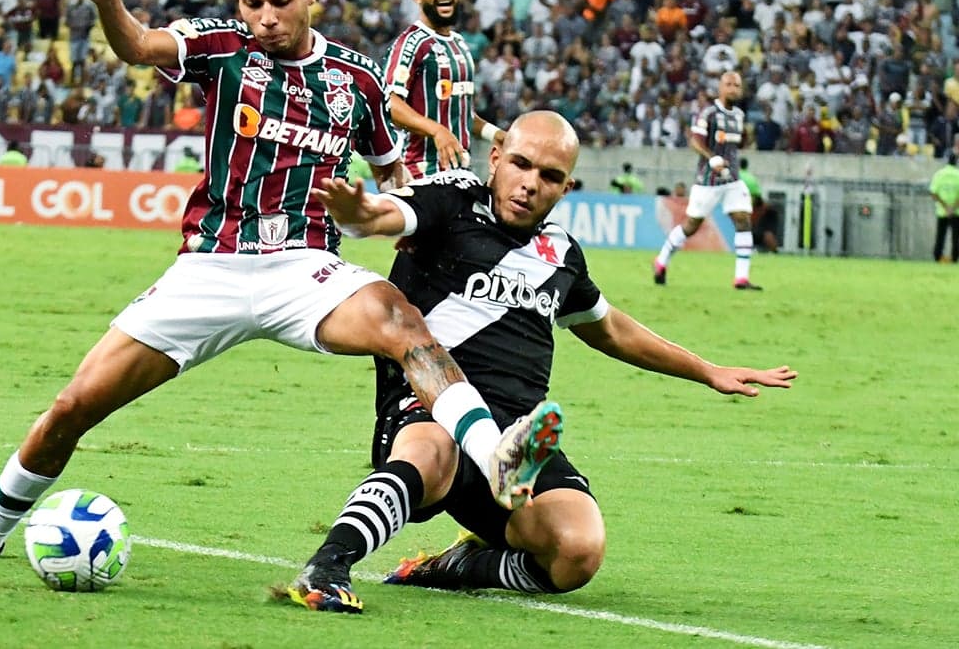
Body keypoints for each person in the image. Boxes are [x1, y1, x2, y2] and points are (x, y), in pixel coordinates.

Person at [0, 0, 561, 562]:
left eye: (279, 1)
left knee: (401, 324)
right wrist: (106, 1)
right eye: (252, 2)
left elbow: (392, 179)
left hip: (304, 268)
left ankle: (495, 458)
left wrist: (377, 213)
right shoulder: (221, 47)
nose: (264, 16)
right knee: (74, 405)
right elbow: (139, 47)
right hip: (210, 266)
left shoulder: (354, 82)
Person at [279, 112, 797, 613]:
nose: (530, 184)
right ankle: (327, 566)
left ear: (566, 188)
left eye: (549, 176)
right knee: (430, 452)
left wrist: (707, 371)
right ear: (496, 158)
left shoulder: (562, 254)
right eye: (521, 164)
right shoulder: (453, 201)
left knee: (578, 552)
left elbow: (612, 329)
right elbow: (387, 215)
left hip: (518, 449)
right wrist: (360, 215)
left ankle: (458, 568)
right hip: (429, 407)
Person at [384, 0, 505, 179]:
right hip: (421, 174)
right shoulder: (411, 43)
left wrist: (496, 134)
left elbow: (460, 112)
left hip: (460, 174)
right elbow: (389, 104)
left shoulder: (459, 43)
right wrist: (436, 130)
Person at [654, 71, 762, 290]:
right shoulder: (709, 113)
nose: (733, 88)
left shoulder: (739, 115)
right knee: (691, 226)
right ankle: (661, 260)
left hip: (732, 178)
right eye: (729, 84)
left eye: (737, 85)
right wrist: (712, 158)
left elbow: (734, 145)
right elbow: (695, 141)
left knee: (743, 220)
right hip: (708, 181)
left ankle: (741, 278)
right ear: (721, 88)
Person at [929, 153, 959, 262]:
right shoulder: (958, 174)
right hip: (956, 212)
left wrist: (945, 207)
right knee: (955, 237)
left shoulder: (939, 174)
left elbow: (933, 192)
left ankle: (937, 257)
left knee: (940, 236)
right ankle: (955, 258)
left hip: (942, 211)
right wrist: (953, 207)